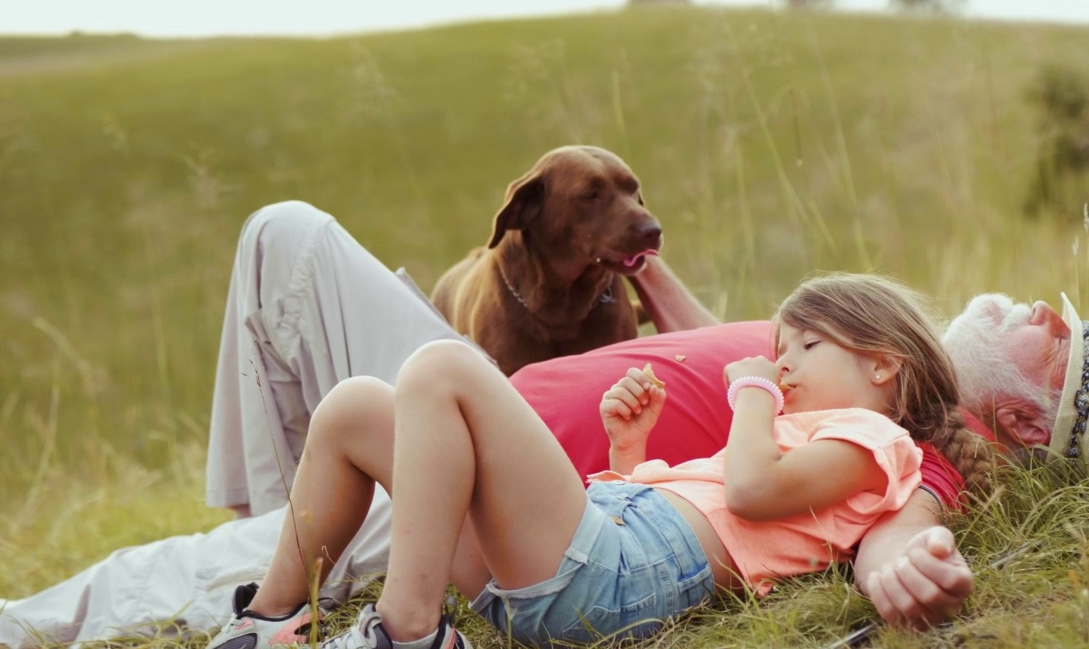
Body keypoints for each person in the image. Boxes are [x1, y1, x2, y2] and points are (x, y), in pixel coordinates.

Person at [0, 202, 1089, 646]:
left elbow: (890, 524)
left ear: (1016, 413)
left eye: (1054, 337)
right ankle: (291, 536)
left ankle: (18, 626)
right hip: (511, 445)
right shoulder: (828, 360)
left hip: (484, 482)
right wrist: (657, 283)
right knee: (285, 238)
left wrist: (912, 567)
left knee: (141, 581)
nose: (1026, 307)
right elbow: (720, 350)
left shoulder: (887, 431)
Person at [205, 273, 993, 649]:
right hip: (595, 558)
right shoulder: (808, 432)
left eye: (802, 350)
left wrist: (751, 393)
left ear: (883, 365)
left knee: (442, 369)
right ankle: (275, 618)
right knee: (354, 407)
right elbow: (680, 510)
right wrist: (629, 451)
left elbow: (750, 497)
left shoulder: (875, 442)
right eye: (775, 354)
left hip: (612, 581)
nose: (780, 367)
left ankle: (409, 632)